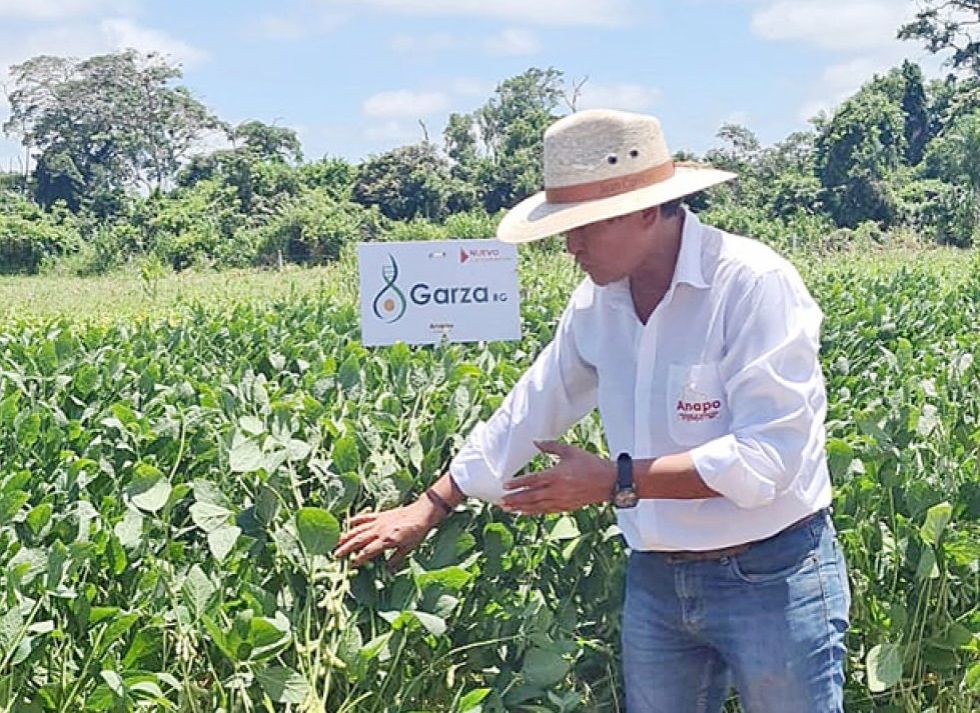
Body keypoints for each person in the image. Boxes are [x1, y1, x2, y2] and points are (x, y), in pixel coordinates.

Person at [334, 109, 850, 712]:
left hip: (772, 574)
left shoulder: (753, 284)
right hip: (658, 578)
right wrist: (430, 504)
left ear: (647, 210)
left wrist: (616, 480)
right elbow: (533, 406)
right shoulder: (598, 303)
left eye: (586, 225)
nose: (571, 244)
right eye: (565, 226)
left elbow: (769, 459)